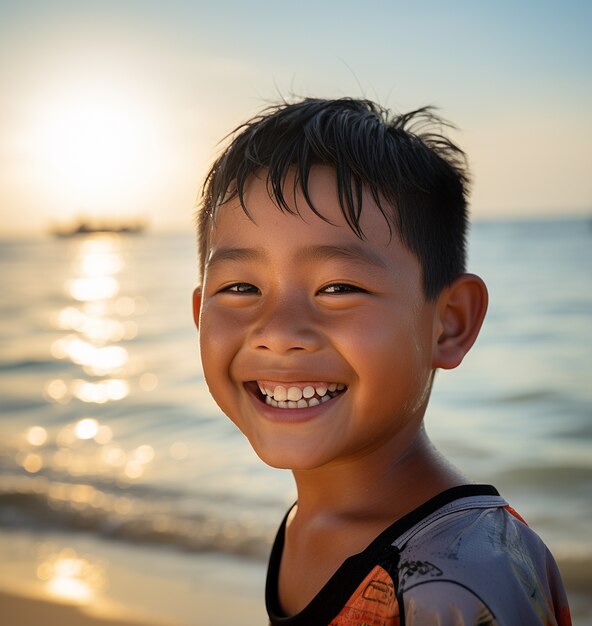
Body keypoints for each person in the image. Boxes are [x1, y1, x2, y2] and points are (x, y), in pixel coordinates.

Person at [192, 98, 571, 625]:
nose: (277, 332)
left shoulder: (461, 579)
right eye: (239, 287)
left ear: (450, 322)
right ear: (199, 311)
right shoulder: (309, 519)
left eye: (338, 287)